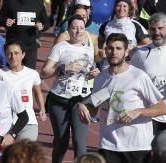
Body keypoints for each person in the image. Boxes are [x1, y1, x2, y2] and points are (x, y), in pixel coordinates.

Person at [79, 33, 166, 163]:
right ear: (105, 51)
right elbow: (94, 108)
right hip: (108, 144)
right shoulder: (100, 78)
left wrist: (139, 111)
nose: (114, 52)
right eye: (110, 48)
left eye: (119, 48)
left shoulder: (138, 76)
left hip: (137, 147)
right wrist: (83, 106)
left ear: (126, 52)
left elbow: (162, 108)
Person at [41, 15, 101, 163]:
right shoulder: (60, 47)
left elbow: (89, 71)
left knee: (80, 143)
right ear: (69, 30)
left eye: (81, 28)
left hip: (81, 100)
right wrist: (63, 67)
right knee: (61, 142)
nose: (78, 31)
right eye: (74, 28)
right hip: (59, 99)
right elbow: (44, 72)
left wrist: (95, 72)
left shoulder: (88, 49)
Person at [0, 0, 48, 68]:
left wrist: (41, 26)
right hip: (13, 45)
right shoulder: (11, 2)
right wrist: (5, 21)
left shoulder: (38, 3)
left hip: (30, 46)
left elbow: (46, 22)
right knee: (12, 74)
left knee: (29, 77)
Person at [1, 40, 47, 141]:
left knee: (25, 152)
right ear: (5, 55)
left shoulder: (32, 74)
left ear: (23, 55)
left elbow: (37, 92)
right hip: (6, 124)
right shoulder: (0, 74)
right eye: (9, 54)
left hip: (28, 123)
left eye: (16, 53)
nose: (13, 57)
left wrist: (42, 109)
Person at [130, 12, 166, 134]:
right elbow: (130, 80)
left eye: (160, 28)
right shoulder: (140, 54)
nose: (157, 33)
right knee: (151, 150)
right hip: (151, 114)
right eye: (153, 29)